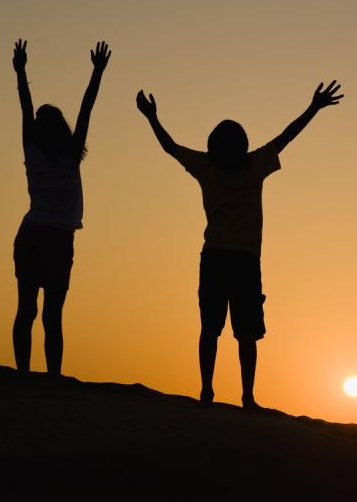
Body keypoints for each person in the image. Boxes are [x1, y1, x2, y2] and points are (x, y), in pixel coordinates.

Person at [136, 82, 344, 409]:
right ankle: (243, 396)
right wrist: (313, 108)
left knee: (214, 329)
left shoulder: (208, 166)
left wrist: (151, 117)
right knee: (243, 333)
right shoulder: (253, 165)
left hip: (219, 258)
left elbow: (169, 146)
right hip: (243, 261)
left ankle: (210, 392)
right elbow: (286, 137)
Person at [10, 38, 111, 376]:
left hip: (32, 234)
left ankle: (23, 374)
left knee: (27, 310)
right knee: (52, 314)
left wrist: (22, 72)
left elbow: (26, 107)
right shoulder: (68, 155)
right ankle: (51, 377)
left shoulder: (33, 152)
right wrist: (97, 73)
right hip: (56, 238)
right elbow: (86, 108)